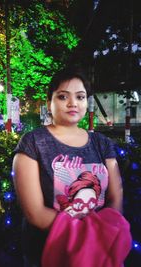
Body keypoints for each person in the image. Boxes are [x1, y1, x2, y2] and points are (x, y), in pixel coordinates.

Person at [12, 67, 123, 267]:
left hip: (99, 252)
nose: (73, 103)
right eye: (63, 96)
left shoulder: (102, 143)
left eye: (80, 97)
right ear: (49, 103)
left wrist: (104, 235)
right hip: (49, 251)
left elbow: (116, 196)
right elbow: (34, 213)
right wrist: (87, 236)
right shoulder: (33, 142)